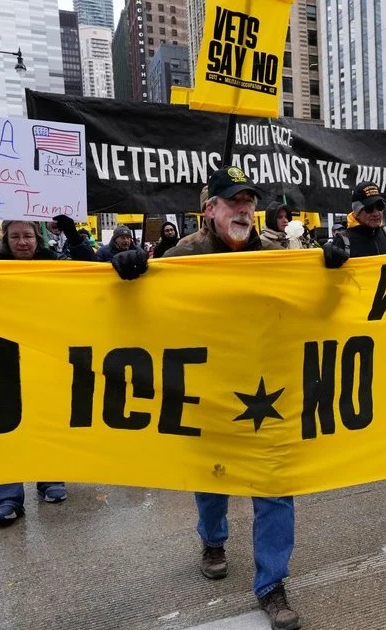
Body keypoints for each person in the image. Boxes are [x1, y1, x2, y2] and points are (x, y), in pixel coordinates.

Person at [140, 166, 300, 630]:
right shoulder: (182, 256)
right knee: (212, 477)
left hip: (266, 391)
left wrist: (329, 265)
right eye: (234, 201)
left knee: (274, 485)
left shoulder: (276, 252)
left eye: (249, 201)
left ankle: (272, 583)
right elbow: (152, 315)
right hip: (208, 389)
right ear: (210, 210)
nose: (245, 209)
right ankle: (213, 540)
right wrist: (130, 276)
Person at [0, 212, 96, 524]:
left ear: (38, 238)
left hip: (46, 355)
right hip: (2, 357)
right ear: (5, 240)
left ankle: (50, 478)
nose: (22, 242)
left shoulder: (55, 264)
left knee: (48, 417)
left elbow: (93, 269)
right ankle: (7, 496)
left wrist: (73, 236)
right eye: (15, 237)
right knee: (4, 425)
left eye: (28, 236)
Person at [323, 181, 386, 266]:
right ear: (357, 212)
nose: (376, 213)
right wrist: (326, 260)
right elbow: (330, 276)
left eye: (380, 206)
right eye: (369, 208)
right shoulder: (343, 240)